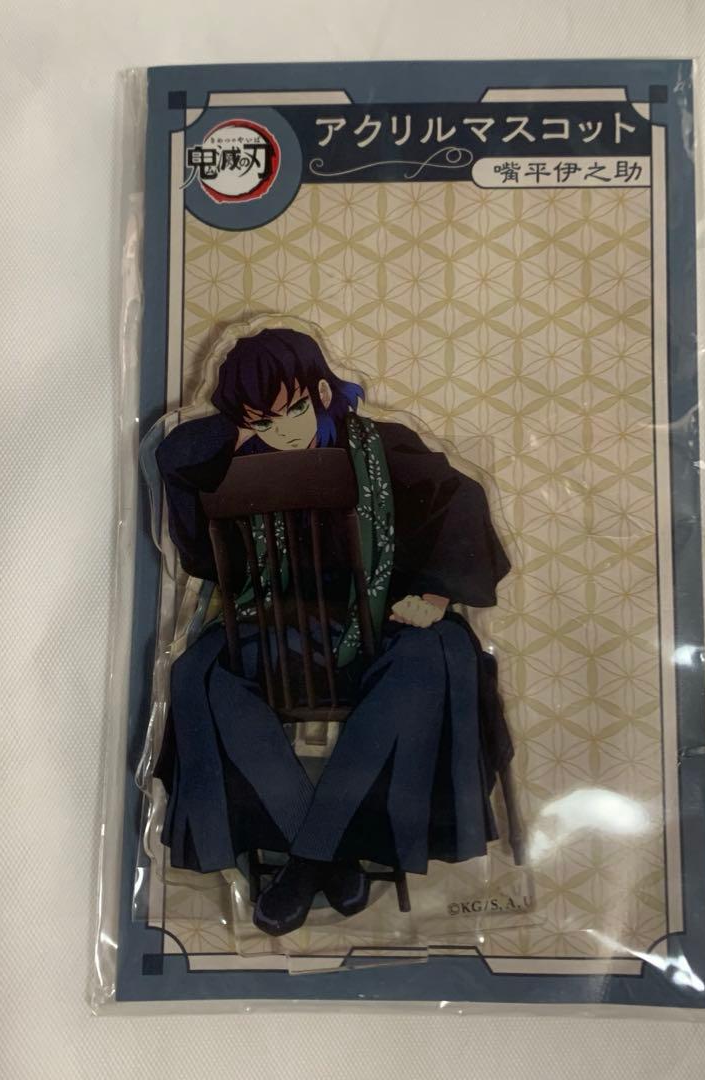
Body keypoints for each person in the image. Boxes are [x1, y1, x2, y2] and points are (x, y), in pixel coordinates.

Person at [153, 326, 512, 936]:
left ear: (322, 392)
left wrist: (433, 594)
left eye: (294, 409)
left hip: (382, 627)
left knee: (436, 655)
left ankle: (307, 860)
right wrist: (236, 427)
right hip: (276, 633)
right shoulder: (235, 463)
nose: (285, 431)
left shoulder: (380, 446)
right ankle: (329, 855)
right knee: (198, 676)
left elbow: (461, 500)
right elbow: (174, 457)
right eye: (264, 422)